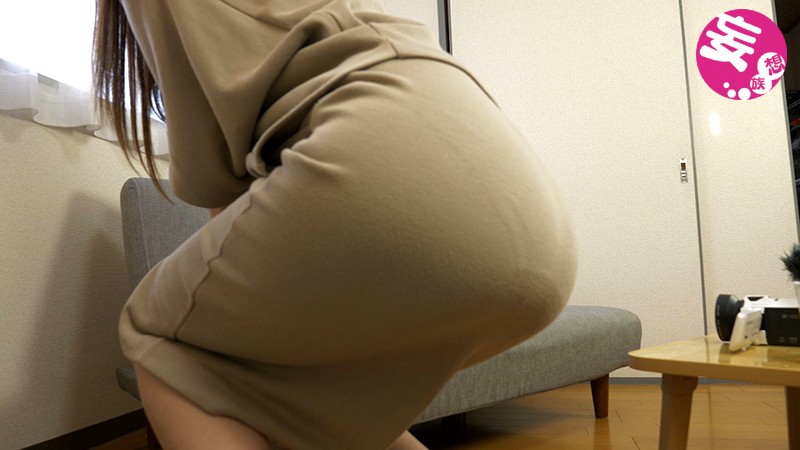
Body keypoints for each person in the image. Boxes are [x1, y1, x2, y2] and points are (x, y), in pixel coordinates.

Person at [93, 1, 577, 449]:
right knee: (325, 408)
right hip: (533, 222)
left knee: (162, 336)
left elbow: (221, 189)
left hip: (378, 151)